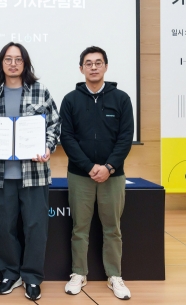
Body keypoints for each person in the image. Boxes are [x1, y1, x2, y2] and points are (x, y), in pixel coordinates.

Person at [0, 42, 60, 301]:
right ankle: (10, 274)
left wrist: (47, 147)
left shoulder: (40, 91)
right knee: (4, 227)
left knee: (36, 227)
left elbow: (54, 125)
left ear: (25, 63)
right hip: (1, 176)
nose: (13, 63)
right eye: (8, 59)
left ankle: (32, 278)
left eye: (18, 59)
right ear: (1, 63)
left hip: (34, 173)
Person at [60, 46, 134, 300]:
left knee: (112, 228)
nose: (93, 67)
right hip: (81, 175)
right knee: (79, 227)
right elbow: (67, 138)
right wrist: (90, 167)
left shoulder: (121, 98)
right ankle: (79, 273)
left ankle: (114, 276)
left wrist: (109, 167)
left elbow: (125, 138)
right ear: (81, 68)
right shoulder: (71, 99)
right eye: (88, 63)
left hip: (113, 175)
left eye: (98, 63)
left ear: (105, 67)